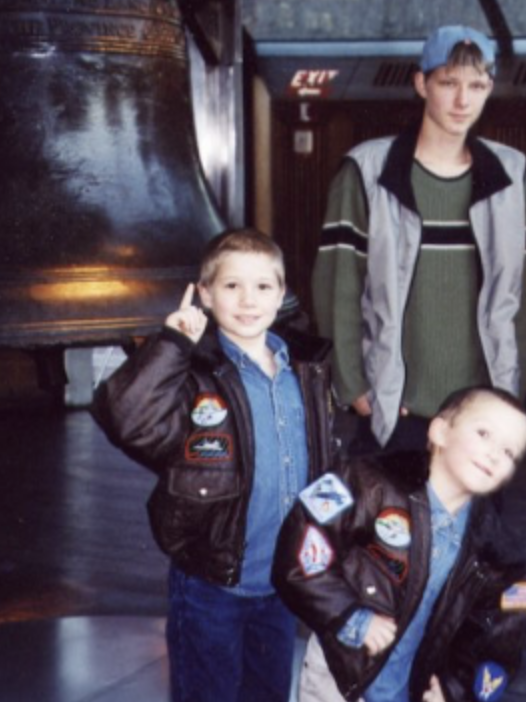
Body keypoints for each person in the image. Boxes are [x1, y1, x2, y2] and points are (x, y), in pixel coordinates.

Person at [92, 228, 338, 702]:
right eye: (231, 286)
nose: (248, 300)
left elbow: (325, 460)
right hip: (212, 584)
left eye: (263, 286)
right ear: (204, 293)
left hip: (282, 583)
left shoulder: (304, 370)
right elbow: (125, 417)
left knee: (267, 693)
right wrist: (172, 344)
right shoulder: (193, 375)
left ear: (282, 292)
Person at [311, 25, 526, 456]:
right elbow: (337, 288)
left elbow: (525, 300)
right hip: (395, 407)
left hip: (482, 411)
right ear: (421, 84)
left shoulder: (512, 174)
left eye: (476, 85)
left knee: (472, 524)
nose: (462, 100)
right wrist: (352, 384)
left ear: (489, 88)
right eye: (448, 83)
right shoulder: (366, 170)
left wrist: (513, 391)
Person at [272, 386, 526, 702]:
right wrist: (349, 617)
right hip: (339, 676)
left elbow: (501, 647)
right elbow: (298, 546)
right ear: (440, 431)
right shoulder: (363, 480)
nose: (495, 453)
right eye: (484, 433)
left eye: (510, 452)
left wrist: (458, 692)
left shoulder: (508, 561)